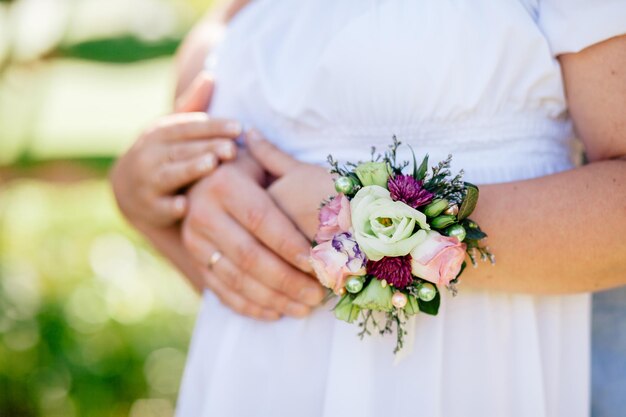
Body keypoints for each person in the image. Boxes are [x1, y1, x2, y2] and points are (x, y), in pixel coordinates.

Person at [110, 0, 626, 416]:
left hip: (464, 383)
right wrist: (147, 196)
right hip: (247, 386)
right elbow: (245, 265)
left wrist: (361, 222)